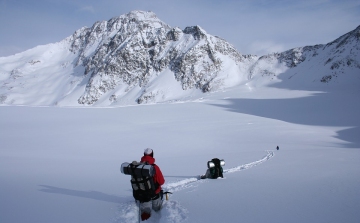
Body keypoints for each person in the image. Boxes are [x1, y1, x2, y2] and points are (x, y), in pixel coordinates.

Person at [139, 148, 165, 221]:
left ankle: (145, 217)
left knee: (145, 211)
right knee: (157, 208)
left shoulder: (138, 167)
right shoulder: (155, 167)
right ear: (152, 155)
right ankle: (157, 213)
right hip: (154, 193)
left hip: (142, 193)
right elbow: (161, 181)